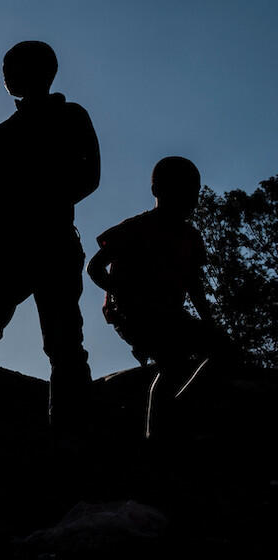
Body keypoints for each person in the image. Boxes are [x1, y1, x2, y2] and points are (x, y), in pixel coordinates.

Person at [0, 41, 100, 430]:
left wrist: (31, 200)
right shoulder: (0, 134)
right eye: (5, 68)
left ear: (43, 72)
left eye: (14, 67)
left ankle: (71, 442)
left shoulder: (70, 116)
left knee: (63, 347)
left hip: (51, 243)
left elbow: (88, 177)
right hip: (2, 248)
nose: (6, 75)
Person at [88, 156, 229, 438]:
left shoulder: (190, 237)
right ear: (159, 191)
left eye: (195, 193)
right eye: (185, 192)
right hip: (134, 313)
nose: (192, 201)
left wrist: (210, 323)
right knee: (173, 361)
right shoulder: (134, 228)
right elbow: (94, 267)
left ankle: (174, 409)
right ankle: (156, 434)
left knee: (223, 352)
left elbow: (194, 285)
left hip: (170, 316)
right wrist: (121, 293)